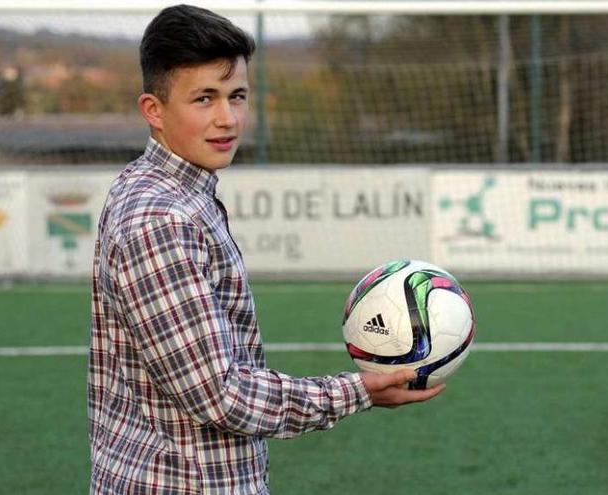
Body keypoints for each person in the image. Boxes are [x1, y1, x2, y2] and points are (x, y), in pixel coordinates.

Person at [87, 5, 444, 494]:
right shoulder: (160, 219)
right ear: (153, 110)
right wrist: (355, 391)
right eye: (203, 99)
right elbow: (220, 395)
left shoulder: (167, 191)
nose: (227, 118)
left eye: (237, 96)